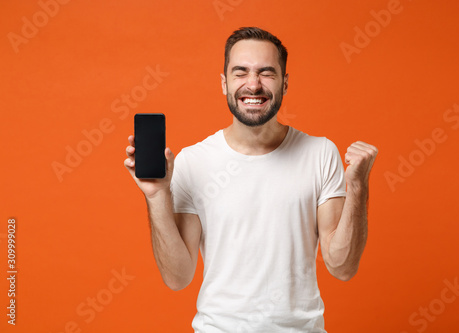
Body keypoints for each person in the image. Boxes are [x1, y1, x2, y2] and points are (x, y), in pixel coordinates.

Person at [124, 26, 378, 332]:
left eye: (266, 72)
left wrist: (358, 188)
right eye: (241, 72)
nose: (253, 84)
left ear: (285, 83)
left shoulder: (320, 153)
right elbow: (177, 278)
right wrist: (157, 197)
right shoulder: (193, 161)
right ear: (224, 82)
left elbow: (342, 266)